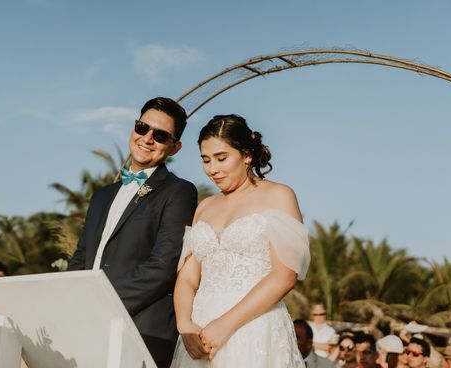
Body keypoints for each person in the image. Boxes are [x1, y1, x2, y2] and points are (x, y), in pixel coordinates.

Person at [68, 97, 197, 367]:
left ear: (175, 147)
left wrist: (101, 303)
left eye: (160, 135)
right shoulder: (102, 195)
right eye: (142, 128)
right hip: (85, 328)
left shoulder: (179, 192)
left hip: (141, 331)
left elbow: (164, 264)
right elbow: (82, 256)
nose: (147, 138)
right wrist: (72, 300)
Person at [172, 114, 310, 367]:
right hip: (198, 331)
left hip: (254, 327)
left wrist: (226, 324)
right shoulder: (205, 206)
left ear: (246, 155)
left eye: (221, 158)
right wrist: (184, 325)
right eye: (206, 160)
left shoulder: (278, 195)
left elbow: (284, 275)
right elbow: (188, 277)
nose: (212, 169)